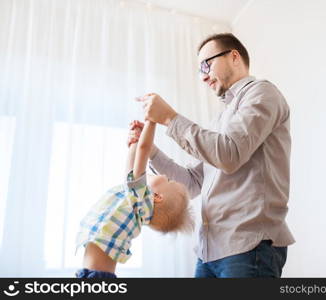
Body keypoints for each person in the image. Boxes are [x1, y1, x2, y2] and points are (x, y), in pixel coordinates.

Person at [135, 33, 295, 278]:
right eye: (200, 70)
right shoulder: (220, 119)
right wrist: (148, 150)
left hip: (248, 247)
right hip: (209, 252)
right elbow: (192, 183)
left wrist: (169, 118)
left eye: (206, 64)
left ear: (233, 57)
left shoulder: (262, 93)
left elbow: (229, 154)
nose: (203, 76)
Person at [75, 120, 194, 278]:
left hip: (96, 276)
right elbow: (130, 168)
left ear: (157, 197)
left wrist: (151, 121)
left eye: (169, 181)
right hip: (94, 273)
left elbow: (144, 149)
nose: (166, 176)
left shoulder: (140, 200)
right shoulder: (134, 200)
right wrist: (134, 141)